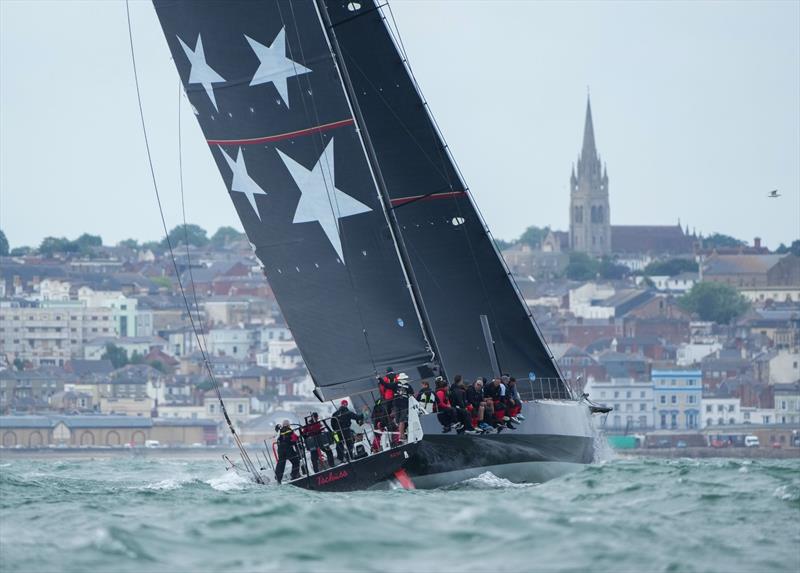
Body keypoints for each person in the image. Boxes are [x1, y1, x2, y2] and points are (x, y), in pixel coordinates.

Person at [274, 419, 301, 484]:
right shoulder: (290, 430)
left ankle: (278, 479)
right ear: (288, 425)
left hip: (280, 450)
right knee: (296, 462)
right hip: (288, 449)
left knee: (281, 463)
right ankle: (294, 476)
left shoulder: (279, 431)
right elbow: (295, 439)